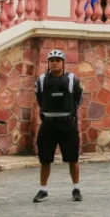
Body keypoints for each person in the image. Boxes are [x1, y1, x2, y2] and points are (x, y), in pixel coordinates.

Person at [33, 50, 84, 203]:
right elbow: (39, 99)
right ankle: (43, 190)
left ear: (63, 63)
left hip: (67, 124)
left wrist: (68, 113)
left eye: (57, 60)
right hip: (48, 124)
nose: (54, 62)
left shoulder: (72, 80)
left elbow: (79, 99)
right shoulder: (41, 81)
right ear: (48, 62)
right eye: (51, 60)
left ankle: (76, 188)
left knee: (72, 158)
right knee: (45, 160)